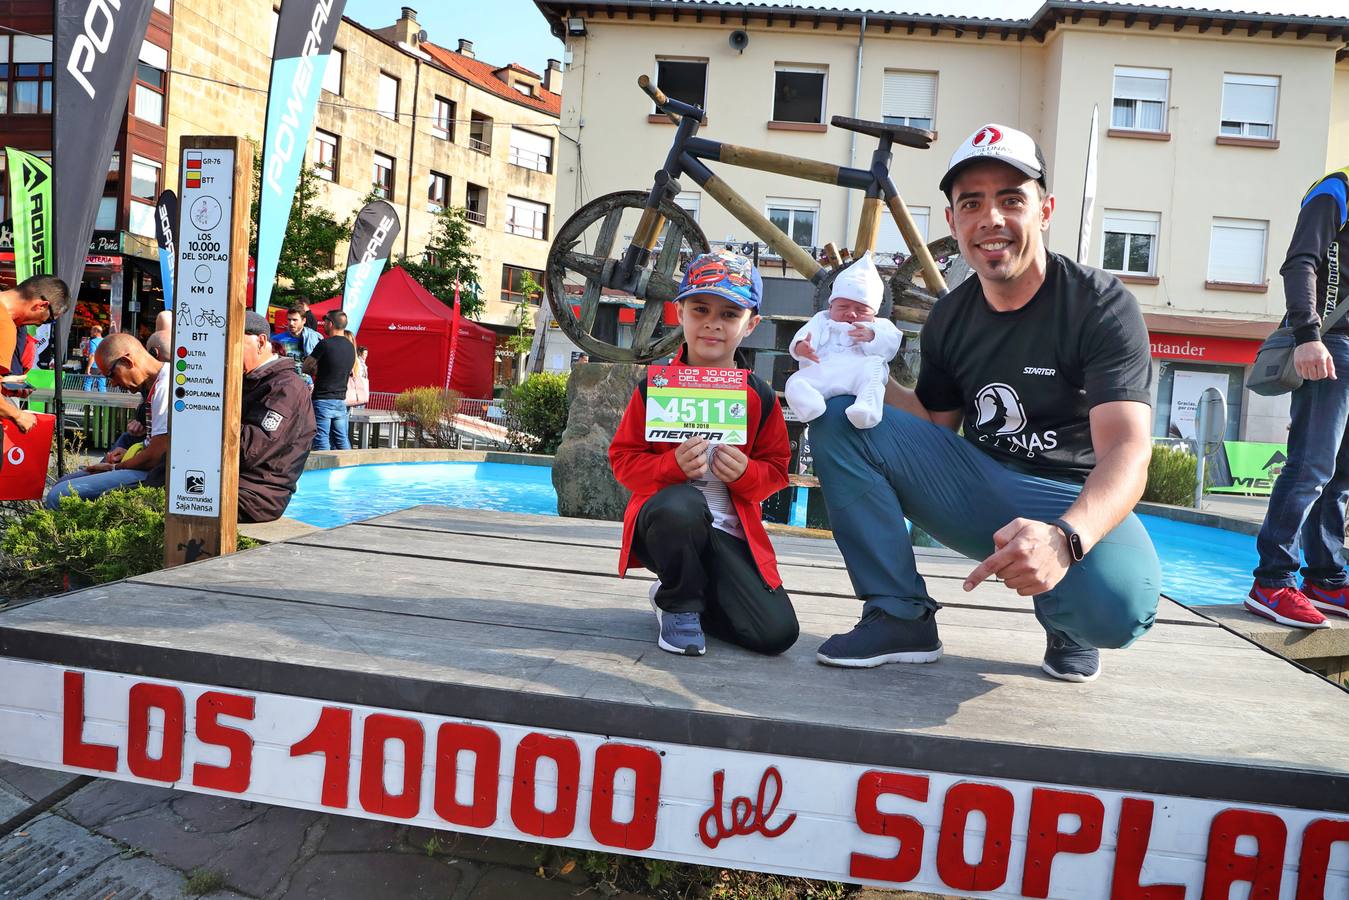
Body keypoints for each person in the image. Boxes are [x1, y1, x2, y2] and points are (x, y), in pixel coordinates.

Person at [807, 124, 1159, 683]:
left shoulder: (1100, 304)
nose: (990, 218)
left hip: (1071, 497)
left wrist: (1065, 539)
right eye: (971, 203)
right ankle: (899, 615)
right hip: (985, 486)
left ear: (1045, 210)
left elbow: (1127, 449)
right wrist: (855, 375)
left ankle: (1066, 620)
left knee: (1119, 610)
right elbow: (930, 430)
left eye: (1011, 199)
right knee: (838, 420)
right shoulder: (950, 317)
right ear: (952, 222)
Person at [609, 250, 799, 657]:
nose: (713, 323)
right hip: (666, 525)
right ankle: (678, 603)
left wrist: (746, 473)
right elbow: (623, 460)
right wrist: (668, 466)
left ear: (751, 325)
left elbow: (777, 471)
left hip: (729, 534)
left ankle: (682, 592)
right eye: (700, 309)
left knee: (776, 635)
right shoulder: (654, 388)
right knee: (681, 503)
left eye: (730, 314)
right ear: (679, 313)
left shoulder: (760, 398)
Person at [1248, 165, 1349, 629]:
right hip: (1331, 345)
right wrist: (1308, 334)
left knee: (1341, 475)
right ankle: (1273, 581)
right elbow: (1301, 261)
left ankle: (1325, 580)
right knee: (1310, 466)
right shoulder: (1338, 189)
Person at [45, 333, 169, 507]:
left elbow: (154, 457)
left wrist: (114, 468)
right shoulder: (157, 384)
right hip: (145, 467)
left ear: (127, 361)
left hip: (153, 475)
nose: (112, 384)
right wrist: (127, 455)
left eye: (111, 375)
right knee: (62, 483)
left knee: (60, 495)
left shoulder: (165, 387)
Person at [785, 251, 902, 429]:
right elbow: (805, 335)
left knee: (874, 371)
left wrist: (873, 336)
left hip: (857, 372)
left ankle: (866, 409)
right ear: (830, 306)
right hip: (825, 371)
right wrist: (802, 347)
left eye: (861, 310)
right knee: (795, 382)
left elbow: (892, 343)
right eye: (843, 306)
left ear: (874, 313)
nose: (851, 313)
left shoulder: (880, 325)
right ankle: (810, 406)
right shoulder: (821, 320)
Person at [239, 311, 316, 522]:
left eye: (234, 344)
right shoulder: (255, 380)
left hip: (256, 496)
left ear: (261, 342)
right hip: (239, 485)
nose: (226, 354)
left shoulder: (286, 388)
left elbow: (248, 450)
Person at [0, 275, 69, 434]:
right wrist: (17, 415)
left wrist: (4, 383)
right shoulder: (5, 326)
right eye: (48, 320)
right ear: (41, 305)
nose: (39, 324)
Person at [309, 309, 357, 450]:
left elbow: (307, 366)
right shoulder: (350, 347)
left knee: (321, 438)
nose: (323, 325)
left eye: (325, 322)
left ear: (330, 323)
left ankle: (325, 470)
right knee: (341, 438)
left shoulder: (325, 344)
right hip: (341, 400)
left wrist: (315, 369)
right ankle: (348, 467)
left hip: (323, 399)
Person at [273, 302, 322, 370]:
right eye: (289, 319)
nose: (291, 323)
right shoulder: (277, 340)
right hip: (285, 378)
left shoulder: (313, 339)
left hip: (305, 379)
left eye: (295, 320)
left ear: (304, 321)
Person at [83, 325, 105, 391]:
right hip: (103, 366)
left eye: (92, 330)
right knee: (102, 385)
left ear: (96, 331)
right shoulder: (105, 341)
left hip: (94, 366)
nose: (90, 332)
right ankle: (103, 400)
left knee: (87, 383)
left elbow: (92, 355)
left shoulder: (93, 341)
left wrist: (88, 368)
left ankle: (86, 400)